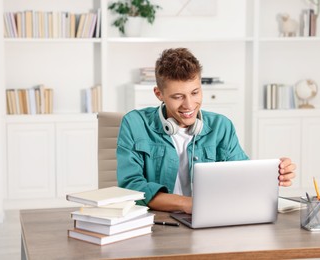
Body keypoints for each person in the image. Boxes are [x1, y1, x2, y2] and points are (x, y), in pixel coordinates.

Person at [116, 48, 296, 214]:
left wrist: (275, 173)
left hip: (210, 218)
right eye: (178, 97)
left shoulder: (221, 127)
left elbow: (242, 176)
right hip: (158, 223)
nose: (189, 105)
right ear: (159, 94)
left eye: (195, 93)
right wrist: (188, 204)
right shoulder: (135, 124)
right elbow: (132, 187)